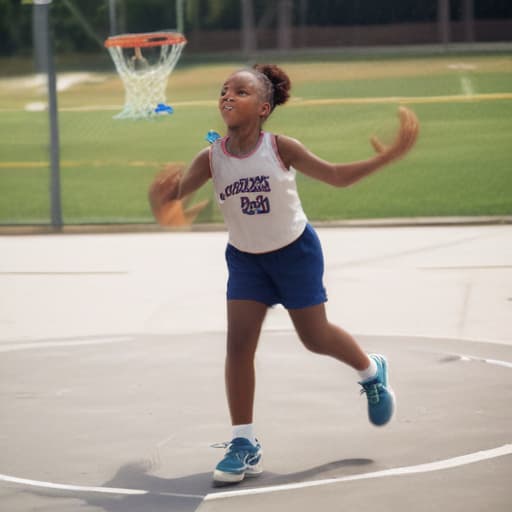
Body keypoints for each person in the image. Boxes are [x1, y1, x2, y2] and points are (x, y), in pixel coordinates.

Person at [148, 63, 419, 484]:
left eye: (239, 92)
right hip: (246, 260)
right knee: (238, 346)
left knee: (314, 338)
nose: (227, 97)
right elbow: (171, 201)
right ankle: (244, 442)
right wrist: (160, 198)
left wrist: (389, 155)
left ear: (263, 107)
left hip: (295, 253)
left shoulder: (279, 148)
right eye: (223, 91)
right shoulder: (212, 157)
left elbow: (335, 177)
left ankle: (370, 370)